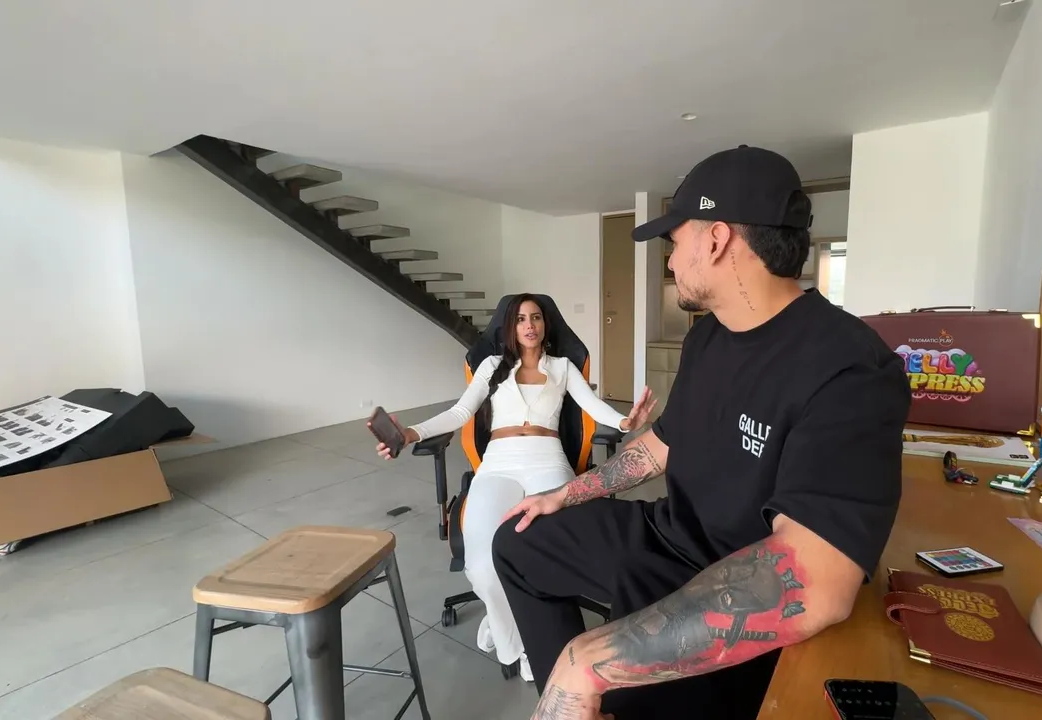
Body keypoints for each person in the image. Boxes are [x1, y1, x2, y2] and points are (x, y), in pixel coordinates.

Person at [493, 146, 912, 719]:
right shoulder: (707, 337)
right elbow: (662, 444)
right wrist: (566, 493)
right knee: (518, 541)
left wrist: (588, 660)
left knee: (620, 686)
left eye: (675, 241)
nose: (670, 262)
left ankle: (589, 688)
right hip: (670, 536)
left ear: (716, 239)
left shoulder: (851, 367)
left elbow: (813, 582)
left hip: (741, 579)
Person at [373, 293, 656, 682]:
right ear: (510, 327)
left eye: (535, 317)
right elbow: (460, 412)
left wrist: (625, 422)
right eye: (520, 318)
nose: (529, 325)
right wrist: (410, 433)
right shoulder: (492, 366)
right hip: (499, 464)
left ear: (545, 324)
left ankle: (528, 647)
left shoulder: (562, 367)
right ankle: (510, 637)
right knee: (482, 564)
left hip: (548, 461)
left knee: (544, 550)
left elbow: (593, 406)